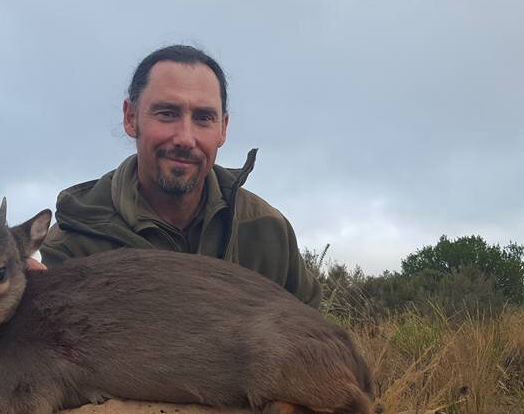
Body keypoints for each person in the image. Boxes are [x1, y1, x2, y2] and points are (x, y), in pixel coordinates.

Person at [37, 45, 321, 308]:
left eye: (203, 118)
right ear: (131, 118)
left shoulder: (267, 229)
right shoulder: (74, 243)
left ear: (223, 128)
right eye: (167, 113)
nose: (186, 138)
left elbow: (314, 345)